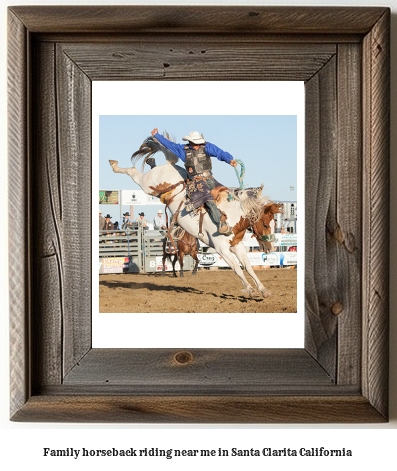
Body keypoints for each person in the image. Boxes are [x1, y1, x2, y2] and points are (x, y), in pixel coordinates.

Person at [151, 128, 237, 235]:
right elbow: (169, 144)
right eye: (196, 143)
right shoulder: (183, 150)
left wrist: (229, 160)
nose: (198, 145)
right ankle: (221, 223)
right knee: (208, 199)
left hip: (210, 179)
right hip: (196, 183)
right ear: (190, 142)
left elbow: (219, 152)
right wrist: (157, 136)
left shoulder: (206, 147)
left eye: (199, 143)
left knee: (228, 193)